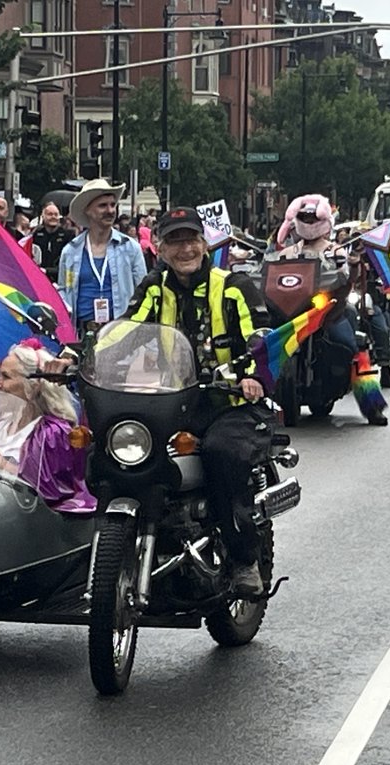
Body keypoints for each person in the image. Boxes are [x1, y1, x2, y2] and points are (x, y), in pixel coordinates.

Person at [119, 206, 275, 595]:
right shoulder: (154, 288)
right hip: (173, 402)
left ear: (205, 244)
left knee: (222, 452)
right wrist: (79, 357)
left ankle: (244, 559)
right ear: (160, 248)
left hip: (231, 403)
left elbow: (261, 338)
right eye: (175, 240)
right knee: (121, 445)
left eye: (191, 239)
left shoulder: (234, 286)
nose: (185, 248)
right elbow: (127, 330)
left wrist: (253, 376)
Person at [275, 194, 390, 406]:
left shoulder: (335, 250)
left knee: (355, 345)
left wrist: (354, 263)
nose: (309, 223)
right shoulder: (288, 252)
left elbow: (349, 276)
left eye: (314, 219)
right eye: (305, 218)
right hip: (294, 312)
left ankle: (372, 404)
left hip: (329, 311)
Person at [0, 340, 95, 515]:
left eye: (6, 377)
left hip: (22, 527)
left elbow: (35, 492)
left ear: (34, 386)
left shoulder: (52, 433)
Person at [57, 178, 147, 332]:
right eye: (102, 206)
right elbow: (64, 291)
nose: (110, 210)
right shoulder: (70, 251)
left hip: (120, 333)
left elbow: (143, 293)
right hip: (83, 333)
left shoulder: (130, 248)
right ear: (88, 210)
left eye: (113, 205)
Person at [27, 202, 75, 283]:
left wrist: (48, 271)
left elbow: (69, 262)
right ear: (43, 216)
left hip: (60, 279)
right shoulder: (36, 234)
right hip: (39, 279)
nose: (53, 217)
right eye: (50, 214)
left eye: (56, 214)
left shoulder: (68, 235)